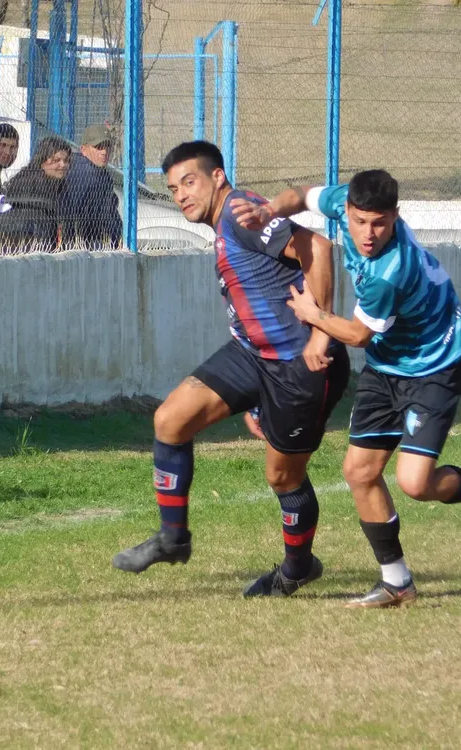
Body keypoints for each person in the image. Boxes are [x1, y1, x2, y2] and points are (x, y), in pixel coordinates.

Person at [233, 169, 461, 609]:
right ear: (347, 209)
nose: (368, 234)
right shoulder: (343, 203)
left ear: (396, 216)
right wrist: (268, 210)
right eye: (360, 221)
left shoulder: (391, 269)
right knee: (359, 472)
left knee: (414, 482)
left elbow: (357, 335)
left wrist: (313, 315)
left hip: (434, 364)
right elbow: (302, 195)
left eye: (380, 223)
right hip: (387, 364)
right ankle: (396, 582)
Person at [112, 140, 350, 598]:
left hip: (298, 365)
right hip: (251, 354)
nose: (181, 195)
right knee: (171, 419)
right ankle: (172, 539)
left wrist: (322, 330)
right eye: (173, 188)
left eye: (190, 182)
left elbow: (318, 249)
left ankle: (298, 567)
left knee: (283, 477)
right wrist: (253, 394)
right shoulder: (225, 222)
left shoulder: (241, 213)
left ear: (217, 177)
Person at [0, 136, 71, 251]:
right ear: (42, 161)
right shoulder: (32, 182)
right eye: (56, 160)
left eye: (66, 161)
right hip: (17, 242)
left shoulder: (58, 183)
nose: (63, 165)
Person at [61, 123, 122, 249]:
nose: (104, 152)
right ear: (84, 150)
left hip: (86, 242)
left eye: (107, 146)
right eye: (98, 147)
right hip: (81, 244)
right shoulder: (85, 172)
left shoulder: (100, 173)